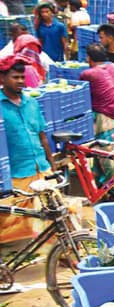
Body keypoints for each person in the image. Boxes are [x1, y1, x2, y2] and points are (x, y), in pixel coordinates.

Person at [0, 57, 53, 244]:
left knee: (56, 212)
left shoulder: (31, 103)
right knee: (9, 219)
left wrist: (51, 167)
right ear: (2, 79)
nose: (21, 81)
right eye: (15, 77)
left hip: (41, 167)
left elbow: (42, 136)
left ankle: (63, 251)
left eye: (22, 77)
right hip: (17, 172)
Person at [80, 43, 114, 180]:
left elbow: (82, 93)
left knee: (108, 157)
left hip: (106, 119)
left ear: (89, 58)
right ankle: (103, 187)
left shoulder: (88, 73)